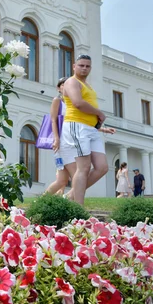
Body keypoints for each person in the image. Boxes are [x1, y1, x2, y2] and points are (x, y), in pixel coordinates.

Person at [60, 54, 110, 205]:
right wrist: (99, 113)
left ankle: (70, 196)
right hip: (77, 125)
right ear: (74, 66)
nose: (84, 68)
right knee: (84, 168)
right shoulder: (71, 82)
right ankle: (78, 207)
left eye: (87, 66)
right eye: (81, 65)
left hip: (91, 129)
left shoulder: (88, 85)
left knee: (102, 167)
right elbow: (78, 103)